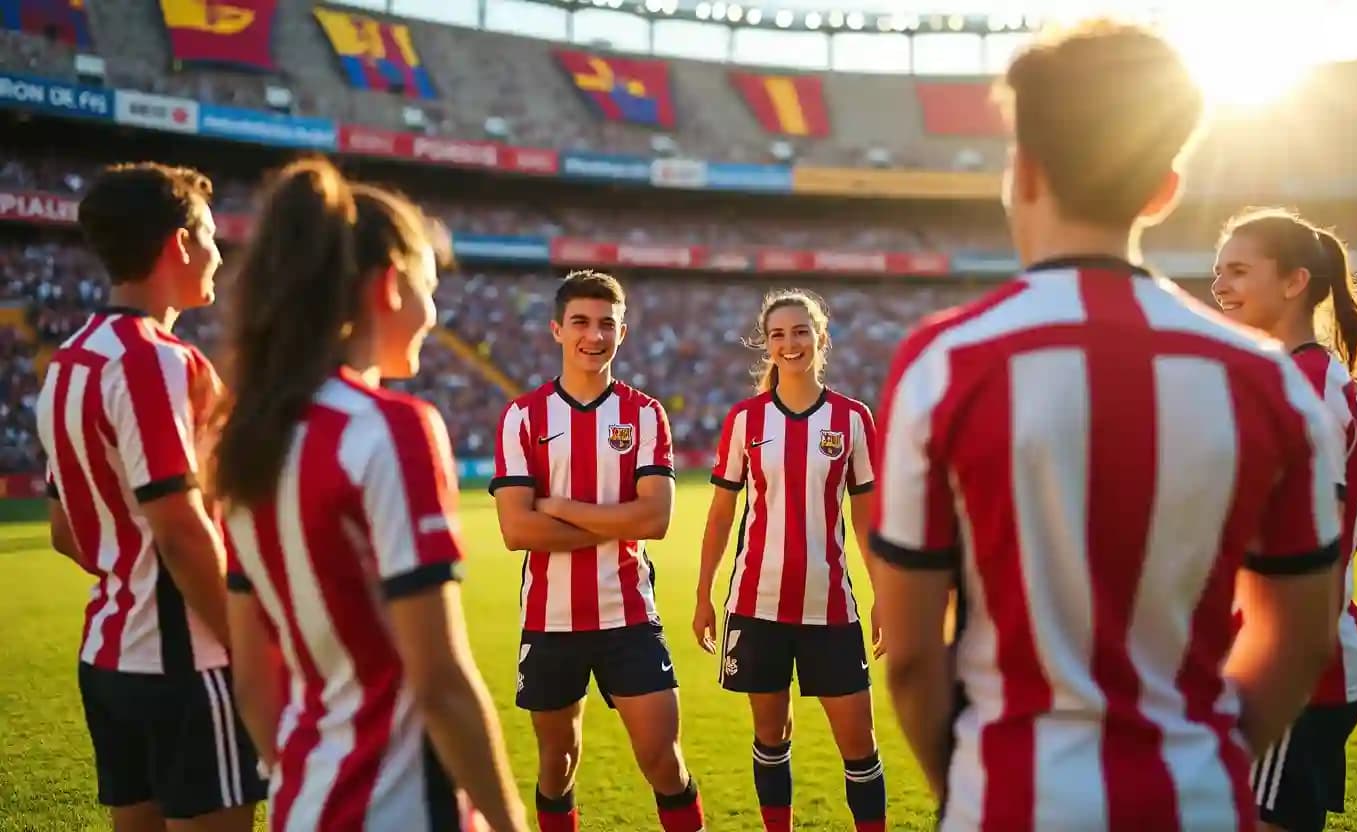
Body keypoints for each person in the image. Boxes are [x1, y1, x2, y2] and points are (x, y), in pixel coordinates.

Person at [867, 20, 1347, 831]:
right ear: (1165, 190)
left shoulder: (945, 360)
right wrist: (1205, 754)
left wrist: (972, 785)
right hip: (1195, 803)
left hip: (1008, 800)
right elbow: (1300, 635)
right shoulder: (1265, 379)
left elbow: (913, 656)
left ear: (1022, 172)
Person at [214, 158, 528, 832]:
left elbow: (251, 680)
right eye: (429, 287)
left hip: (304, 806)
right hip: (400, 811)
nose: (433, 313)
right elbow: (439, 683)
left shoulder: (247, 437)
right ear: (390, 287)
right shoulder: (390, 429)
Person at [35, 163, 264, 831]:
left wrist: (130, 579)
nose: (221, 253)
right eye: (213, 237)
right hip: (188, 666)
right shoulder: (156, 360)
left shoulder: (70, 361)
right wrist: (244, 648)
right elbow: (181, 528)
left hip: (108, 658)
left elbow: (65, 531)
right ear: (180, 245)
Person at [490, 270, 704, 832]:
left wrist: (558, 506)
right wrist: (618, 523)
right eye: (581, 322)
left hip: (629, 615)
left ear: (623, 333)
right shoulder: (523, 417)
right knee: (557, 764)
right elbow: (517, 531)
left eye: (606, 323)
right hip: (550, 620)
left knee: (664, 760)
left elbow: (655, 518)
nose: (594, 335)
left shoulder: (645, 414)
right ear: (557, 330)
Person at [693, 289, 887, 832]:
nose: (790, 343)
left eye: (800, 331)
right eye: (778, 334)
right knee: (771, 737)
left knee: (860, 743)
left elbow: (869, 520)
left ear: (821, 338)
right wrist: (705, 594)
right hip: (757, 607)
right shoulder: (746, 420)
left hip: (831, 610)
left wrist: (884, 597)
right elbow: (721, 514)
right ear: (767, 345)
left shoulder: (852, 418)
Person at [1213, 209, 1357, 832]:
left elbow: (1310, 549)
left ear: (1293, 282)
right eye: (1216, 273)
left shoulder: (1306, 389)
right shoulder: (1281, 380)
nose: (1220, 287)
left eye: (1237, 271)